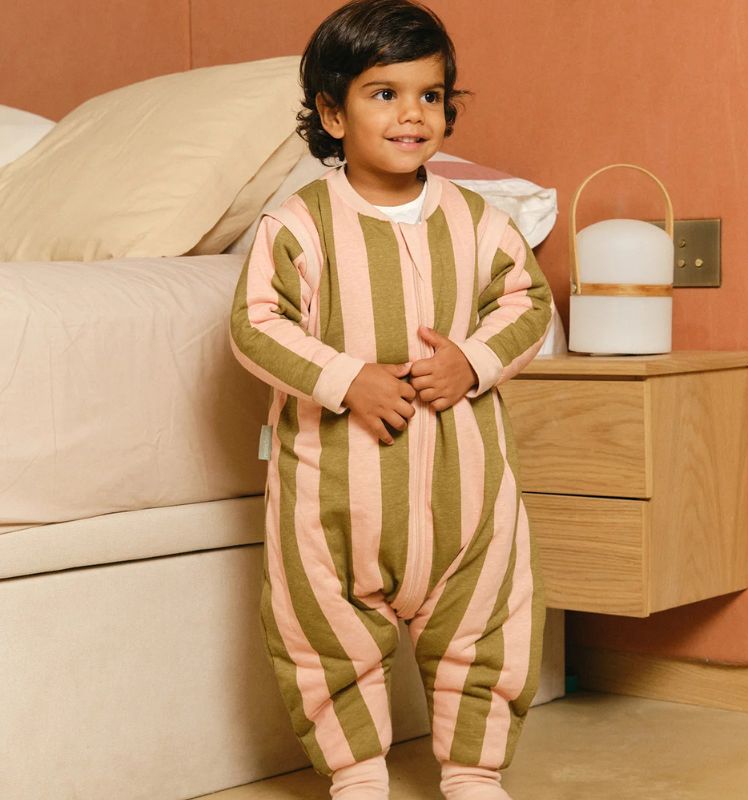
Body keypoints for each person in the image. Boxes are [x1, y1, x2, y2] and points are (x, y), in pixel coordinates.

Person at [229, 1, 554, 797]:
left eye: (430, 95)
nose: (413, 113)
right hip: (335, 495)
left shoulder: (479, 222)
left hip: (466, 493)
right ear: (333, 113)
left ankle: (474, 771)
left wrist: (470, 363)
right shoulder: (298, 225)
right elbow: (255, 324)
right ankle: (357, 773)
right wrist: (348, 379)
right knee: (325, 633)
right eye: (385, 94)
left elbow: (528, 304)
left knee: (487, 624)